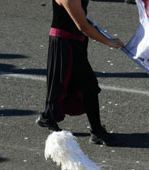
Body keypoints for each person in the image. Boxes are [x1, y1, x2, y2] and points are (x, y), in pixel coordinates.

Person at [37, 0, 124, 146]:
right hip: (65, 43)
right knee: (86, 85)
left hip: (75, 40)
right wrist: (108, 42)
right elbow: (83, 26)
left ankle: (47, 117)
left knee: (68, 84)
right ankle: (97, 131)